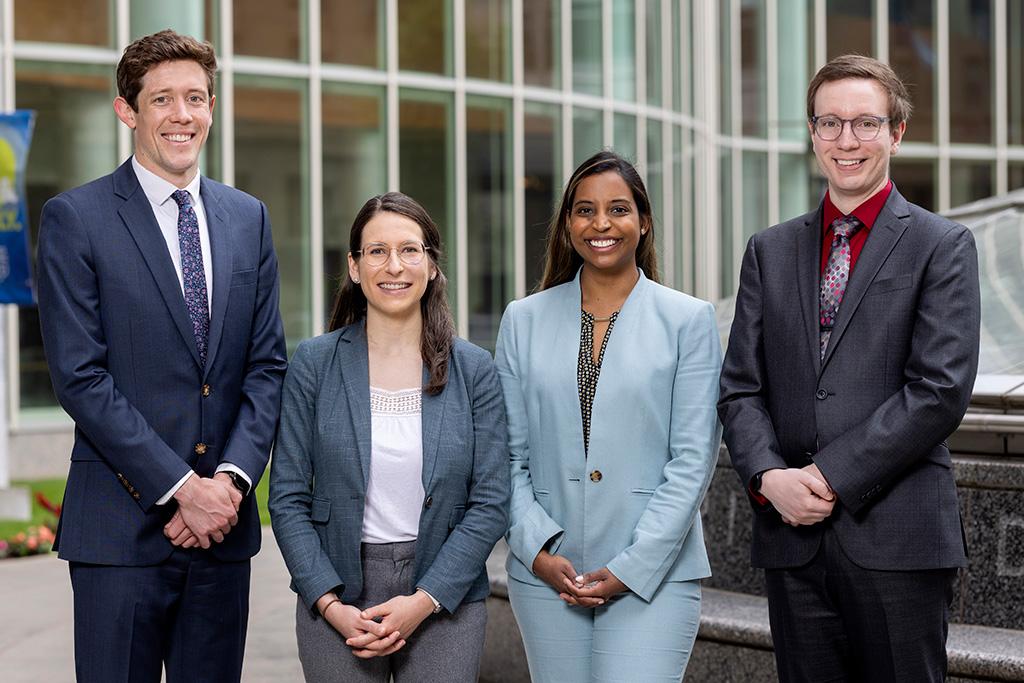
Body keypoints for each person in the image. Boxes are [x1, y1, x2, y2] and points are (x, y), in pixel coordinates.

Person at [718, 54, 981, 682]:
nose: (846, 140)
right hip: (793, 544)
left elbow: (939, 391)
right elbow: (740, 389)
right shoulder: (769, 250)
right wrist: (768, 477)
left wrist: (827, 476)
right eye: (829, 123)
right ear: (812, 133)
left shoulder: (940, 246)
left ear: (896, 132)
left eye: (865, 123)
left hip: (898, 544)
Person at [36, 29, 287, 683]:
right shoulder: (76, 218)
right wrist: (181, 491)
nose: (183, 115)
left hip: (222, 535)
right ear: (128, 110)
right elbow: (80, 377)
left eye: (197, 97)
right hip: (120, 536)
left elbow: (266, 366)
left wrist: (228, 485)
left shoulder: (248, 217)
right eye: (163, 99)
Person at [495, 150, 722, 681]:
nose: (601, 224)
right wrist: (538, 551)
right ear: (567, 223)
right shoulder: (521, 321)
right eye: (584, 210)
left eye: (618, 209)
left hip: (654, 576)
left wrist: (630, 567)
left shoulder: (688, 321)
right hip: (547, 576)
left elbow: (692, 462)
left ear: (643, 222)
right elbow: (507, 455)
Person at [269, 191, 510, 682]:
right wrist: (330, 605)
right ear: (355, 268)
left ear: (432, 265)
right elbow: (288, 498)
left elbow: (490, 502)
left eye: (409, 250)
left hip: (446, 590)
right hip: (338, 594)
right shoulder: (315, 364)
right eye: (377, 251)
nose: (393, 266)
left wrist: (423, 601)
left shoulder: (475, 370)